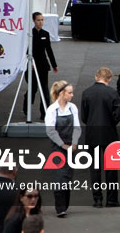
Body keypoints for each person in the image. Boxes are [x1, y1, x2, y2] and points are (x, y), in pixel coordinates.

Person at [80, 67, 120, 207]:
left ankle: (97, 199)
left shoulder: (86, 93)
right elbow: (117, 115)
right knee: (111, 168)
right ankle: (111, 199)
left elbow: (84, 117)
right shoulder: (112, 93)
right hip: (109, 134)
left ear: (95, 77)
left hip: (92, 134)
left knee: (95, 168)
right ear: (109, 79)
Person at [44, 80, 81, 217]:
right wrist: (62, 145)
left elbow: (77, 127)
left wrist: (74, 143)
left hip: (71, 146)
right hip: (58, 147)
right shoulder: (52, 110)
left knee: (68, 176)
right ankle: (60, 208)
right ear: (61, 93)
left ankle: (65, 205)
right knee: (60, 176)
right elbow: (51, 131)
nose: (72, 95)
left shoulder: (72, 108)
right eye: (70, 93)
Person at [23, 12, 58, 119]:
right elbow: (25, 50)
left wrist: (54, 65)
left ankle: (45, 113)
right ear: (34, 21)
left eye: (42, 20)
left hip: (43, 65)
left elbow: (49, 50)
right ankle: (27, 108)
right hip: (32, 65)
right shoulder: (30, 34)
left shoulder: (45, 34)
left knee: (44, 89)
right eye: (38, 20)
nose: (40, 22)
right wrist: (29, 62)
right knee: (33, 88)